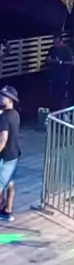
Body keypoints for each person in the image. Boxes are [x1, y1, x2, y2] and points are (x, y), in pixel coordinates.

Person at [0, 85, 20, 223]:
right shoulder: (15, 114)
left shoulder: (4, 117)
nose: (1, 97)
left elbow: (3, 138)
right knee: (11, 183)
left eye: (4, 96)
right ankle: (7, 210)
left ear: (10, 100)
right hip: (14, 154)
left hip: (5, 155)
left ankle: (3, 208)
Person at [46, 34, 74, 111]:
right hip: (54, 77)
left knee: (63, 96)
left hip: (64, 77)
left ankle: (63, 111)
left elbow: (72, 62)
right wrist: (52, 61)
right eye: (54, 43)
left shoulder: (67, 50)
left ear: (61, 41)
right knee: (54, 94)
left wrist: (61, 62)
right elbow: (47, 60)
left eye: (57, 43)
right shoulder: (52, 49)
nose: (56, 45)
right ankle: (54, 110)